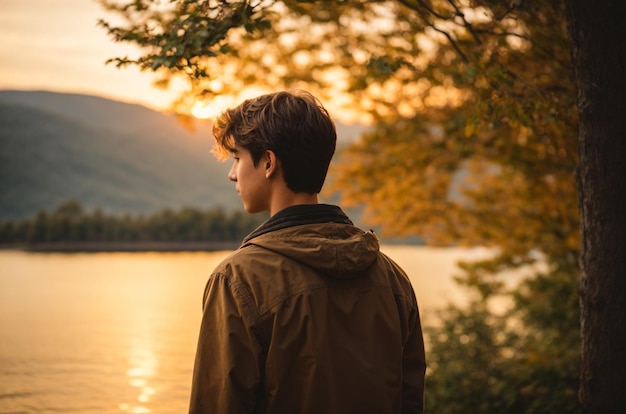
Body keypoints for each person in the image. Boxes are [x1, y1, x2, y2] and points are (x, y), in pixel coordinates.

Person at [189, 90, 426, 414]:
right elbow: (410, 402)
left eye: (237, 158)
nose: (233, 173)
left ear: (268, 163)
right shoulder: (392, 278)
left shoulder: (238, 279)